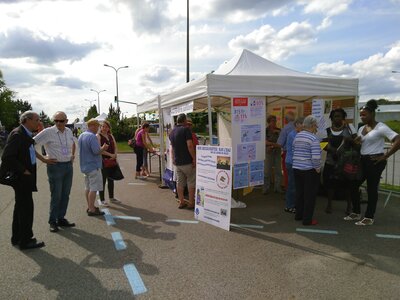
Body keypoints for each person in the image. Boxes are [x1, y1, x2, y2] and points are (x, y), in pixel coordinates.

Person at [345, 100, 400, 225]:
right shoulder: (361, 128)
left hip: (375, 161)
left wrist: (385, 156)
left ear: (372, 114)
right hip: (363, 161)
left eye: (365, 114)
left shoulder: (381, 127)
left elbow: (398, 139)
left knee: (371, 189)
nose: (362, 117)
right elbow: (361, 145)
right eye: (361, 115)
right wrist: (357, 142)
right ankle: (356, 212)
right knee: (353, 184)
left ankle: (369, 217)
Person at [0, 111, 45, 250]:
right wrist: (23, 170)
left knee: (20, 207)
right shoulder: (18, 134)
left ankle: (17, 237)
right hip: (21, 178)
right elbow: (7, 157)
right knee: (26, 208)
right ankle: (25, 240)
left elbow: (29, 150)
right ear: (27, 120)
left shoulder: (25, 133)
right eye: (37, 120)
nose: (39, 122)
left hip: (24, 177)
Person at [34, 111, 76, 232]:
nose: (58, 123)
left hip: (68, 166)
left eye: (61, 121)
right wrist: (43, 159)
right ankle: (52, 221)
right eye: (56, 121)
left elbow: (72, 143)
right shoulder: (48, 132)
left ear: (66, 121)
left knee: (65, 194)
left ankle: (61, 218)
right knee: (56, 195)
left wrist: (72, 155)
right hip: (55, 166)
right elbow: (30, 144)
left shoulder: (68, 131)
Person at [322, 108, 359, 215]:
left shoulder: (350, 128)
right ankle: (329, 204)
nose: (337, 118)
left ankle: (349, 206)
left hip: (346, 162)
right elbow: (322, 144)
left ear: (343, 118)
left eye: (339, 116)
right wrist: (332, 150)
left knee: (347, 185)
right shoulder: (327, 130)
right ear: (331, 118)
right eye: (334, 116)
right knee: (330, 185)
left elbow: (357, 143)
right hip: (331, 161)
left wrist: (350, 141)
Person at [292, 115, 321, 226]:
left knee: (300, 193)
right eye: (316, 126)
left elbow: (294, 149)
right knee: (310, 195)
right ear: (312, 125)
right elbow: (316, 158)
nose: (316, 128)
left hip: (296, 168)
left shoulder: (298, 136)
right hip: (308, 170)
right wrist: (317, 168)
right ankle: (307, 220)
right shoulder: (313, 139)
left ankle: (298, 215)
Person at [78, 118, 109, 216]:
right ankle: (91, 209)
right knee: (94, 188)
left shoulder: (82, 135)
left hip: (85, 165)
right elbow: (96, 151)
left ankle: (90, 206)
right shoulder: (92, 137)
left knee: (87, 187)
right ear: (92, 126)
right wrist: (103, 148)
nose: (98, 128)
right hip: (93, 166)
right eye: (97, 126)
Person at [169, 113, 196, 209]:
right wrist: (194, 158)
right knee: (191, 182)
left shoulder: (171, 132)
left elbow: (172, 148)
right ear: (184, 121)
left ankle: (181, 202)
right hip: (187, 161)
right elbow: (189, 145)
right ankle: (191, 203)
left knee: (180, 183)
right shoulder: (186, 130)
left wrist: (173, 159)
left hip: (177, 162)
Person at [97, 120, 121, 206]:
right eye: (103, 126)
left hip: (112, 160)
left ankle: (111, 197)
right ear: (100, 127)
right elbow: (100, 150)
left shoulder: (111, 136)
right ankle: (102, 199)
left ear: (109, 128)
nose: (104, 128)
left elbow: (115, 146)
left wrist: (115, 154)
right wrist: (110, 154)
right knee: (102, 181)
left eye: (106, 127)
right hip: (103, 161)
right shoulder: (98, 136)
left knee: (111, 179)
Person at [284, 117, 304, 213]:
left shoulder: (298, 134)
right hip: (291, 162)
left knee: (295, 184)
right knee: (292, 185)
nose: (304, 126)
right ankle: (289, 205)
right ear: (297, 125)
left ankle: (293, 204)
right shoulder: (293, 135)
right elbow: (296, 148)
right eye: (302, 124)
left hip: (294, 162)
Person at [263, 115, 282, 194]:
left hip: (277, 153)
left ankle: (277, 187)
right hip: (268, 153)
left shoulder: (279, 130)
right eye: (273, 121)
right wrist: (274, 144)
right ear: (269, 122)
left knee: (278, 171)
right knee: (267, 171)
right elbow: (264, 142)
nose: (274, 123)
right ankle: (266, 188)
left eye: (275, 121)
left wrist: (271, 144)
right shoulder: (266, 131)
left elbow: (281, 142)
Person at [277, 111, 296, 190]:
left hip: (287, 154)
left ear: (285, 119)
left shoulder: (285, 129)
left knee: (287, 174)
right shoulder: (297, 127)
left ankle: (288, 192)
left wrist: (269, 143)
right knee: (295, 174)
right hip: (298, 154)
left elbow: (280, 144)